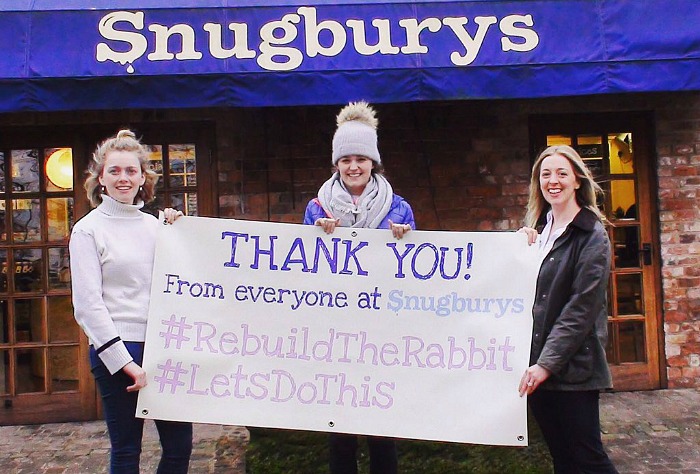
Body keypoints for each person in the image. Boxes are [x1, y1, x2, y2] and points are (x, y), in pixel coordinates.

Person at [70, 129, 192, 474]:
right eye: (115, 171)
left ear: (143, 178)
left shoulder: (157, 226)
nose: (123, 178)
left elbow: (184, 281)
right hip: (120, 352)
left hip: (164, 346)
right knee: (127, 451)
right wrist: (125, 362)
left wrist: (183, 232)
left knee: (179, 449)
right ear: (100, 179)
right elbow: (88, 306)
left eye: (131, 171)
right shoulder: (87, 230)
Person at [303, 101, 415, 474]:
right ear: (336, 163)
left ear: (374, 162)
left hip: (382, 334)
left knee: (383, 430)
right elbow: (300, 269)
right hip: (336, 336)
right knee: (341, 432)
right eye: (346, 158)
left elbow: (416, 271)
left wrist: (405, 239)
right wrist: (318, 237)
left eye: (361, 158)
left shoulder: (399, 208)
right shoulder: (317, 208)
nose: (354, 166)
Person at [517, 145, 618, 473]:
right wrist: (516, 252)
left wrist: (545, 365)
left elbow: (581, 309)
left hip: (573, 371)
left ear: (577, 180)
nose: (553, 180)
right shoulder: (539, 232)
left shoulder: (592, 236)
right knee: (563, 460)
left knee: (588, 459)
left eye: (562, 173)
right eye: (545, 174)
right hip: (538, 369)